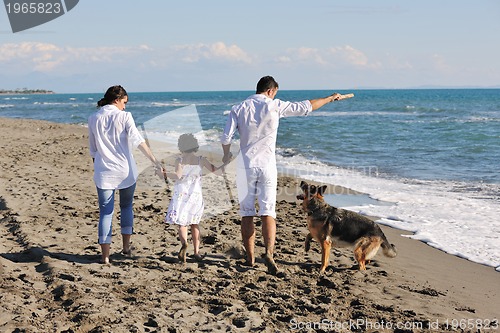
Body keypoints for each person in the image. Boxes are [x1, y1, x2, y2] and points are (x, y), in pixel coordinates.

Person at [220, 76, 342, 274]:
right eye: (275, 92)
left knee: (247, 213)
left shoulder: (238, 108)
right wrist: (330, 98)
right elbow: (308, 106)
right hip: (267, 167)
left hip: (246, 167)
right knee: (268, 212)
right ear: (271, 90)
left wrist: (226, 155)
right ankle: (269, 253)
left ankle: (250, 259)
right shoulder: (274, 105)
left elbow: (225, 137)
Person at [88, 85, 163, 264]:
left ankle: (105, 257)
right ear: (117, 100)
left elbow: (93, 149)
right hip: (125, 171)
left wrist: (98, 168)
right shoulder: (124, 116)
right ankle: (126, 248)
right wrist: (155, 161)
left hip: (104, 172)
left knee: (106, 213)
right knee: (126, 207)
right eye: (124, 102)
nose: (125, 106)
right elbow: (138, 140)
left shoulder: (93, 118)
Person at [164, 133, 218, 263]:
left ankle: (184, 244)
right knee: (195, 223)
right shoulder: (201, 160)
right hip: (195, 195)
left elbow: (177, 175)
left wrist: (163, 174)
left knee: (182, 223)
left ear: (181, 147)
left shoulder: (180, 160)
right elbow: (216, 170)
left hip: (181, 194)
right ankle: (196, 252)